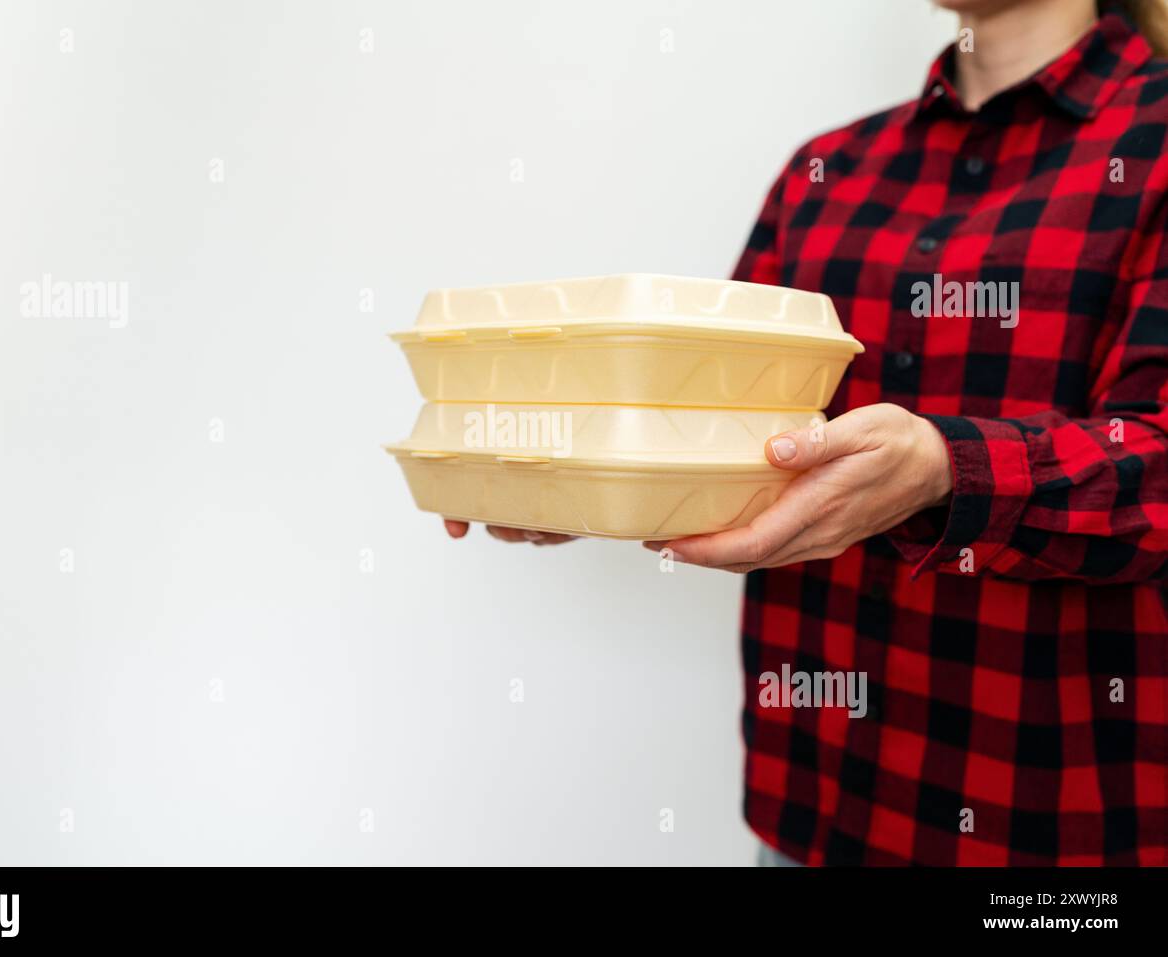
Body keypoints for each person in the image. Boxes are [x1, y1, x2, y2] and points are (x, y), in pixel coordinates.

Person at [446, 0, 1168, 865]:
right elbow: (719, 423)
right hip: (813, 811)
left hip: (1047, 834)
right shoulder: (827, 169)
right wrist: (590, 474)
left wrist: (945, 469)